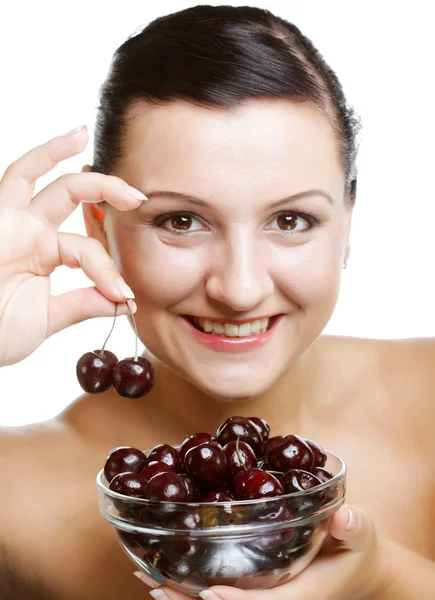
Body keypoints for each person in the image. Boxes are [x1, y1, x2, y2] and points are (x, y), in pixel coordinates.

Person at [0, 4, 434, 600]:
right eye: (181, 220)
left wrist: (388, 580)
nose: (240, 287)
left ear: (348, 225)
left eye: (291, 218)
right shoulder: (16, 489)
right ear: (100, 230)